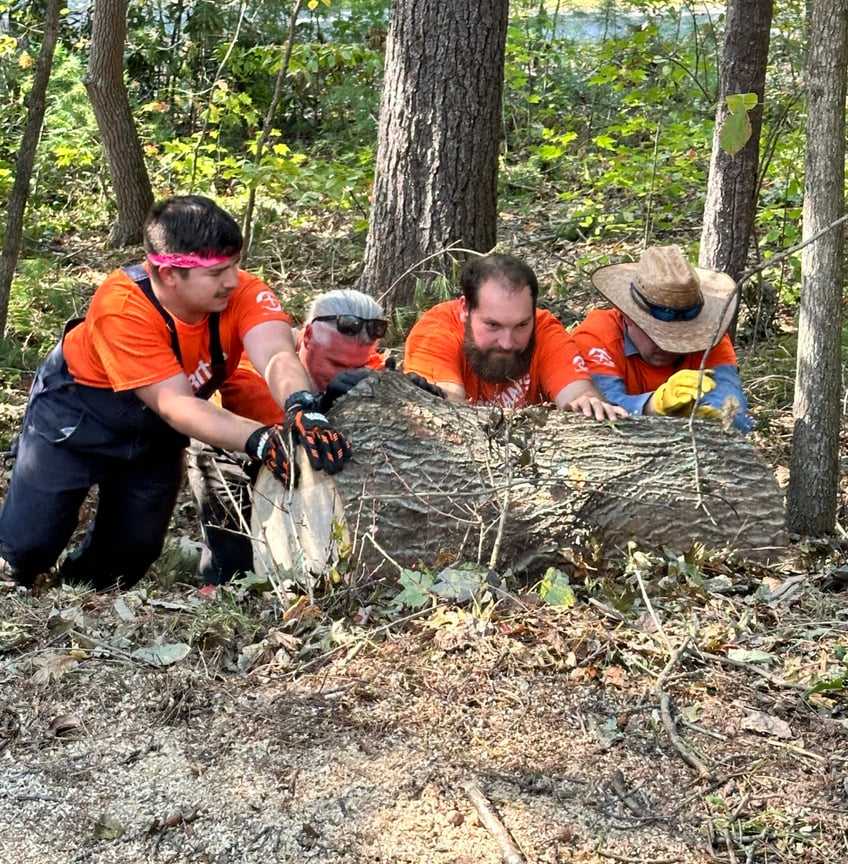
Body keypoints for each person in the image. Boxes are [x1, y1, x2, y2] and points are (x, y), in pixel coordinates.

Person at [0, 195, 351, 591]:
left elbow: (275, 353)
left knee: (129, 555)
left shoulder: (242, 292)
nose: (232, 281)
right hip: (77, 415)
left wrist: (302, 407)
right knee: (26, 547)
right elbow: (176, 402)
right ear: (168, 273)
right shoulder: (122, 307)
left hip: (157, 429)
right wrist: (261, 440)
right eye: (217, 272)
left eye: (234, 265)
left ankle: (78, 589)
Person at [187, 288, 391, 585]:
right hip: (236, 456)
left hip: (308, 488)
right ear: (307, 336)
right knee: (235, 575)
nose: (343, 374)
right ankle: (215, 574)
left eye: (356, 367)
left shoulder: (361, 358)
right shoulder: (254, 359)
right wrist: (321, 404)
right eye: (334, 364)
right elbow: (254, 403)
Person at [402, 251, 625, 419]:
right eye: (492, 325)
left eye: (521, 325)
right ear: (465, 310)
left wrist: (588, 404)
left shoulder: (545, 329)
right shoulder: (436, 330)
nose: (507, 343)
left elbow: (577, 392)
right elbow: (447, 403)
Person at [570, 244, 752, 432]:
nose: (668, 348)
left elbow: (729, 398)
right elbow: (600, 405)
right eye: (655, 335)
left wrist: (715, 416)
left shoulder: (710, 338)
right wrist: (652, 405)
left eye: (684, 336)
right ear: (628, 316)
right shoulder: (596, 336)